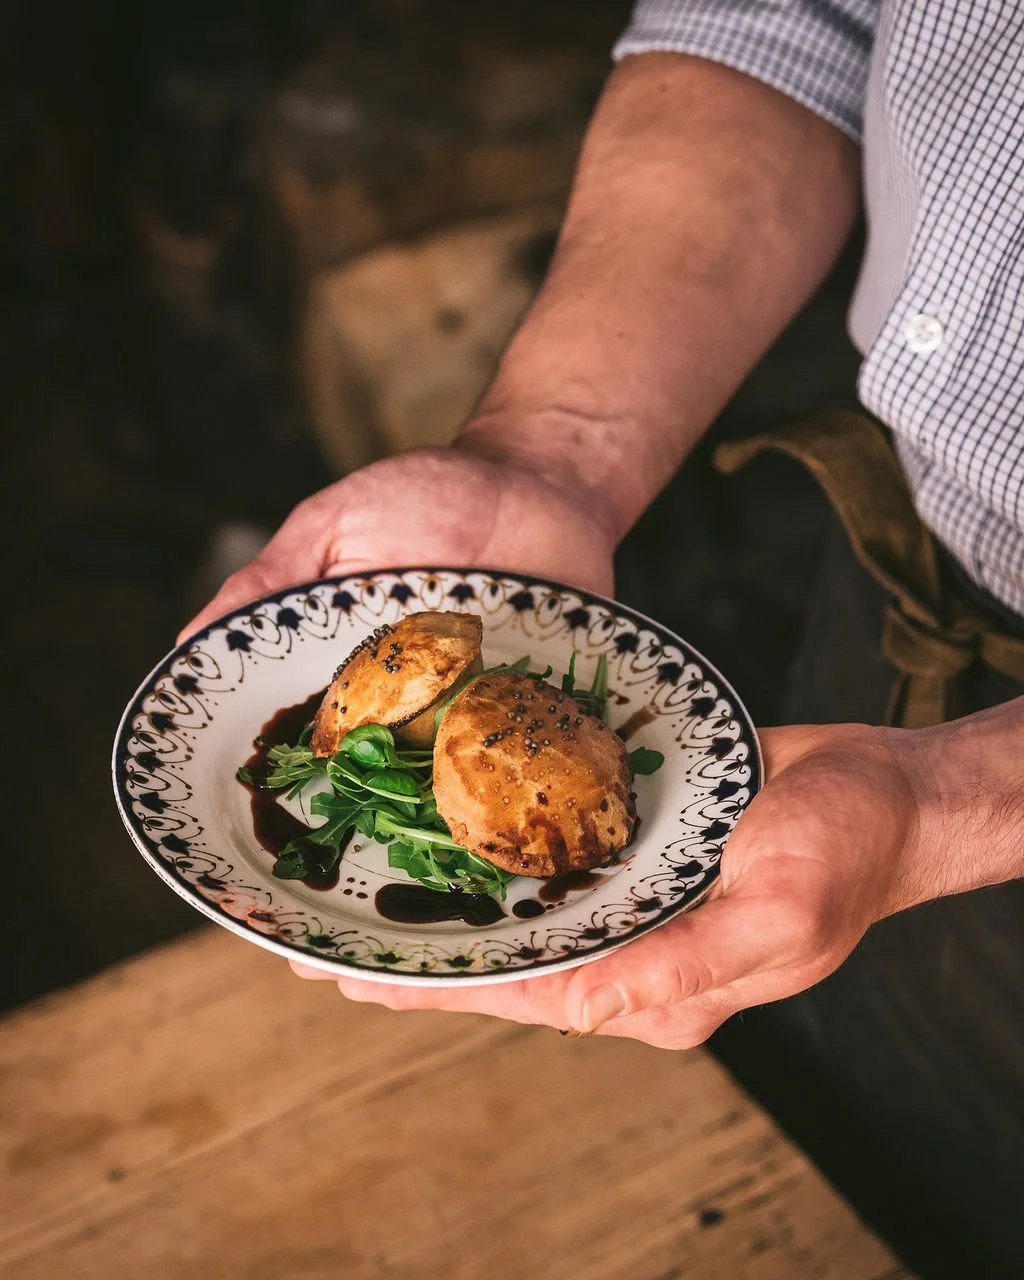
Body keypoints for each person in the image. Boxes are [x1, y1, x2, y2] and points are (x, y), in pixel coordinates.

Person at [184, 2, 1024, 1268]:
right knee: (843, 1138)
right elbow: (778, 29)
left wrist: (961, 798)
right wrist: (552, 450)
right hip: (902, 613)